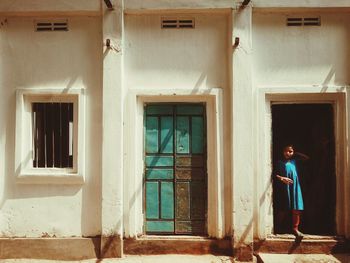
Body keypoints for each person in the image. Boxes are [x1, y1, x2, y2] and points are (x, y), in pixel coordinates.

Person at [275, 144, 309, 238]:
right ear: (282, 152)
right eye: (286, 151)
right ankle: (277, 227)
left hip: (295, 187)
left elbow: (306, 158)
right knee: (283, 208)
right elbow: (274, 174)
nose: (288, 153)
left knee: (297, 208)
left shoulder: (295, 162)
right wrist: (281, 178)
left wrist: (296, 153)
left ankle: (295, 229)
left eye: (290, 151)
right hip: (284, 187)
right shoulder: (279, 162)